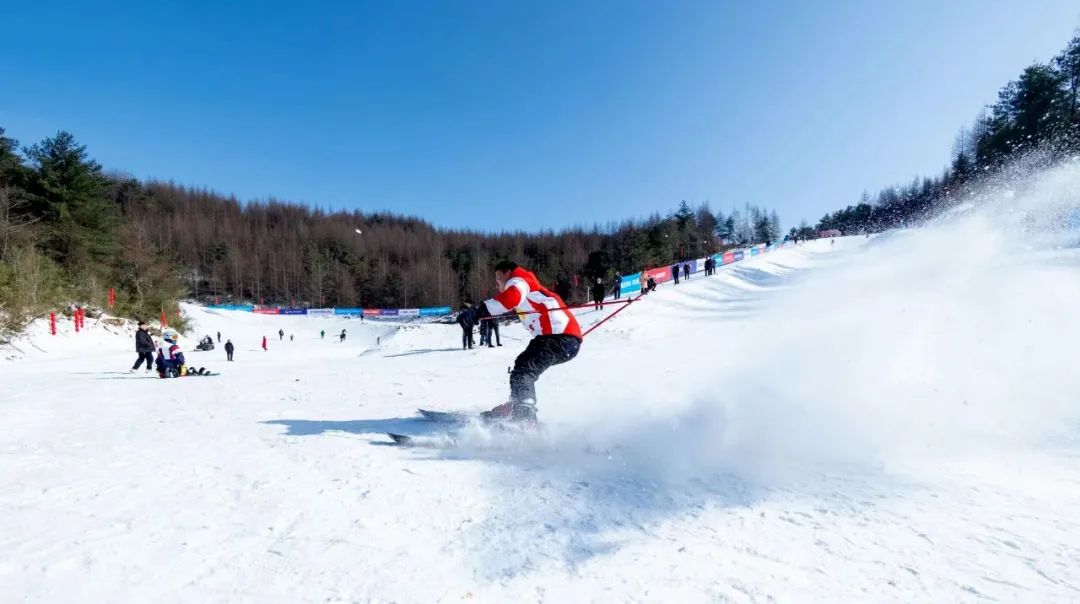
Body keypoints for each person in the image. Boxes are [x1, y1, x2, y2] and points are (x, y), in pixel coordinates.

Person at [457, 260, 582, 424]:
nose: (497, 285)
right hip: (561, 340)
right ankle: (517, 405)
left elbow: (510, 298)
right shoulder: (528, 287)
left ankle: (525, 419)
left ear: (507, 273)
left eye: (497, 279)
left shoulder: (519, 281)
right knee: (523, 367)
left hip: (558, 338)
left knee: (524, 371)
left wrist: (477, 311)